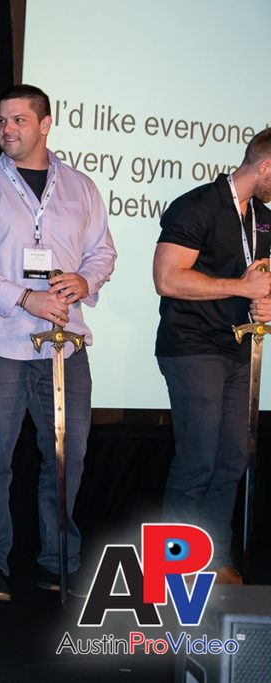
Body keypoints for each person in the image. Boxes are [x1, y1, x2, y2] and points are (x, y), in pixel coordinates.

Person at [0, 84, 116, 601]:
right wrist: (23, 298)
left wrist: (85, 281)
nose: (7, 130)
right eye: (1, 121)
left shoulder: (81, 187)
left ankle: (57, 560)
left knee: (69, 454)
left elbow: (103, 252)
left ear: (45, 124)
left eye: (19, 120)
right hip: (1, 341)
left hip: (66, 342)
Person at [152, 127, 271, 585]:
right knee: (197, 459)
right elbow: (167, 278)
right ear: (263, 167)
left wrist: (263, 300)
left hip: (237, 348)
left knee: (231, 458)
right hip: (192, 347)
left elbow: (260, 281)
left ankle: (216, 557)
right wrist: (242, 287)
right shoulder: (197, 205)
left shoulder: (262, 218)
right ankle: (170, 568)